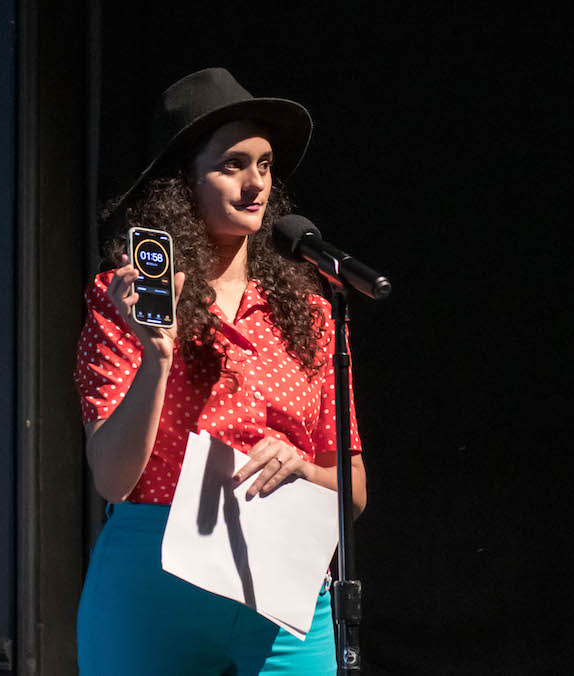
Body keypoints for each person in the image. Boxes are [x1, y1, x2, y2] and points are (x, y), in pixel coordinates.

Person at [74, 67, 367, 675]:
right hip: (155, 575)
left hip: (282, 577)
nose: (255, 183)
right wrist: (156, 357)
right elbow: (111, 478)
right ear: (185, 182)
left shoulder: (310, 314)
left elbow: (355, 490)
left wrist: (305, 467)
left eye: (263, 165)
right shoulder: (122, 299)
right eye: (232, 164)